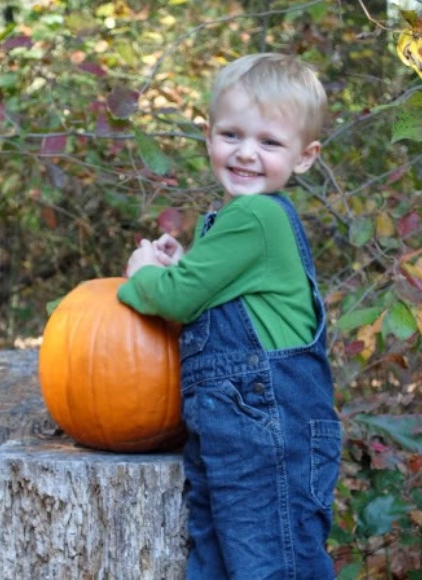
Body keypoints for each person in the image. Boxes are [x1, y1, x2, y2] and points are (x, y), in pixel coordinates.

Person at [117, 53, 341, 579]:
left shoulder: (257, 215)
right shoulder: (237, 222)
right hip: (236, 435)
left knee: (271, 566)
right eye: (232, 135)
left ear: (305, 157)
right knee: (218, 562)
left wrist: (143, 275)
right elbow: (205, 293)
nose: (246, 154)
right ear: (209, 135)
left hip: (268, 435)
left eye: (269, 142)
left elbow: (176, 301)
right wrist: (182, 265)